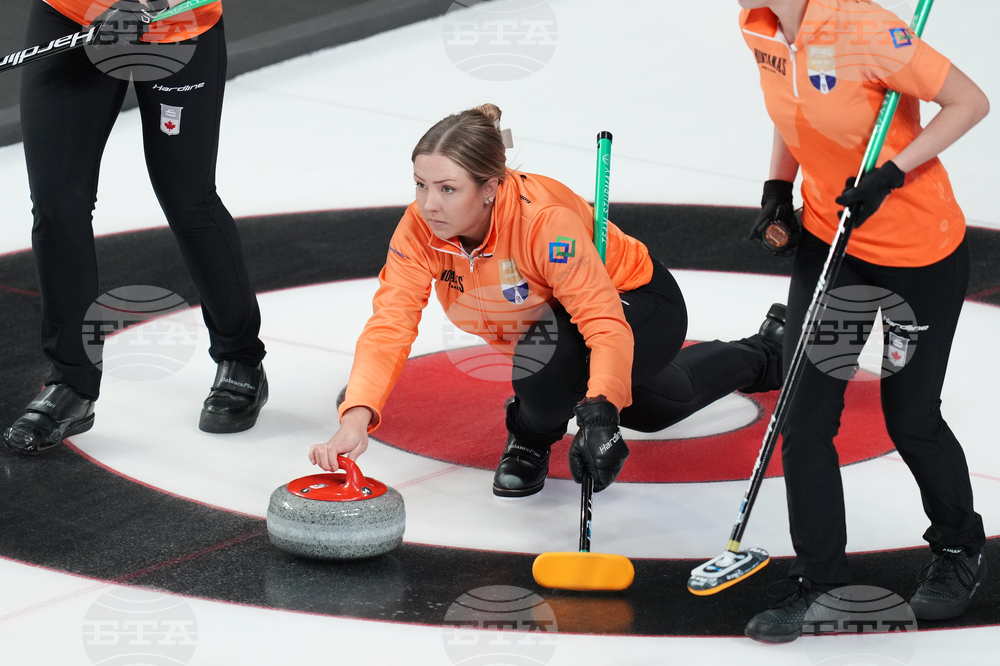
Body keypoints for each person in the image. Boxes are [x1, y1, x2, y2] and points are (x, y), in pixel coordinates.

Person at [309, 103, 786, 500]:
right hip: (554, 328)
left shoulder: (543, 222)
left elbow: (602, 323)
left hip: (637, 301)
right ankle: (765, 353)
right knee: (653, 409)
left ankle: (530, 438)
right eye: (421, 184)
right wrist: (356, 416)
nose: (428, 204)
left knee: (550, 360)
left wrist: (599, 411)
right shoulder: (419, 230)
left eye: (447, 189)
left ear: (491, 188)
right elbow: (390, 322)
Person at [738, 0, 990, 643]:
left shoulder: (863, 28)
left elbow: (970, 101)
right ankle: (822, 583)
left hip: (917, 257)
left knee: (910, 417)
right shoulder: (760, 25)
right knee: (806, 416)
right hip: (834, 244)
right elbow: (792, 112)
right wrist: (777, 187)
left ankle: (960, 546)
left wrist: (890, 174)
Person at [3, 0, 268, 456]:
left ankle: (240, 358)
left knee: (188, 200)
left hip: (174, 26)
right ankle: (71, 384)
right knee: (57, 205)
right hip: (71, 15)